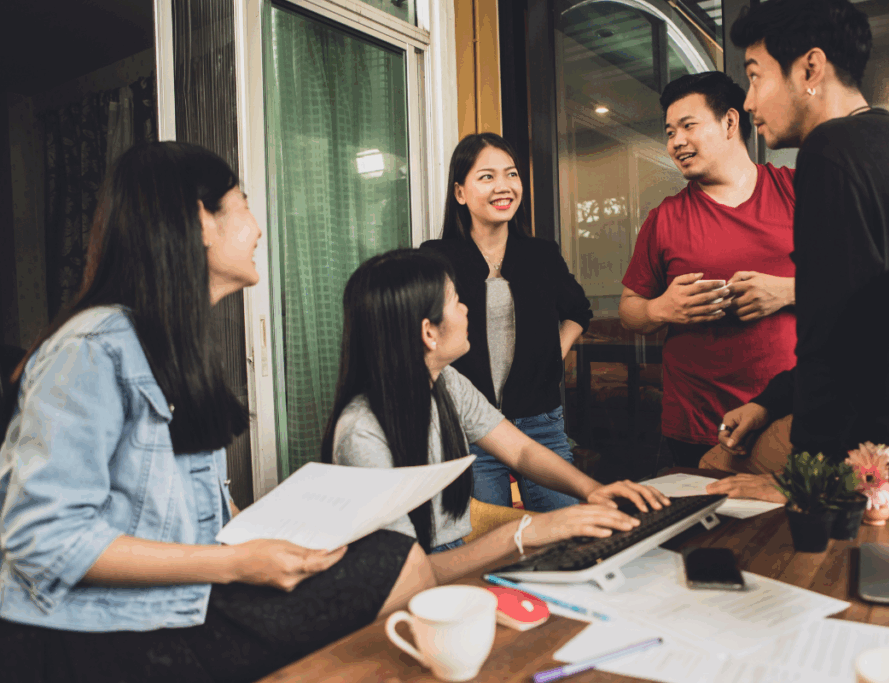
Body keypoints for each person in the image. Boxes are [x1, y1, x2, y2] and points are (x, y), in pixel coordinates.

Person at [0, 141, 438, 683]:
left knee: (390, 555)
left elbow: (187, 509)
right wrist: (234, 564)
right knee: (400, 564)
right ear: (201, 221)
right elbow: (42, 538)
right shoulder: (91, 348)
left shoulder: (168, 344)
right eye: (244, 204)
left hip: (178, 604)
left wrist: (270, 540)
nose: (257, 230)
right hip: (92, 633)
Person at [705, 0, 889, 503]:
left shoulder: (830, 150)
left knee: (713, 469)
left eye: (756, 77)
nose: (751, 102)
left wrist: (802, 483)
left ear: (810, 69)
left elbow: (828, 342)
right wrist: (770, 402)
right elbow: (860, 324)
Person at [324, 248, 670, 583]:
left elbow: (520, 450)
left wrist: (593, 490)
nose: (466, 309)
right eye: (455, 301)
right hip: (421, 585)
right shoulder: (362, 435)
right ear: (429, 332)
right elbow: (407, 577)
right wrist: (521, 533)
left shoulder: (444, 381)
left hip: (456, 553)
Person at [618, 71, 797, 468]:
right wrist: (661, 309)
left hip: (791, 417)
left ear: (730, 122)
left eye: (688, 126)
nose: (676, 142)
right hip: (697, 424)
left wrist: (787, 292)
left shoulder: (796, 191)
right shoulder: (664, 218)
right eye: (669, 132)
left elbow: (855, 283)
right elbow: (630, 307)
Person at [420, 133, 592, 511]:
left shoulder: (541, 254)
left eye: (511, 174)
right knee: (490, 534)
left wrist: (554, 355)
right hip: (470, 428)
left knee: (567, 527)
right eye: (487, 177)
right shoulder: (436, 258)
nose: (504, 186)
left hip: (541, 422)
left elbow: (579, 311)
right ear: (460, 193)